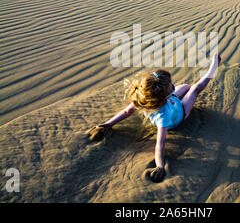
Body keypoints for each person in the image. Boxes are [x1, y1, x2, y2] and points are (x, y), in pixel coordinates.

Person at [87, 53, 221, 182]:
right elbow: (160, 144)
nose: (173, 87)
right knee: (194, 88)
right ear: (164, 99)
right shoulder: (163, 117)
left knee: (186, 86)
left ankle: (176, 93)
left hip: (171, 103)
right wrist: (160, 166)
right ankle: (212, 70)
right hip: (180, 113)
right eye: (171, 87)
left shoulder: (143, 99)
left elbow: (126, 112)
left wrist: (108, 124)